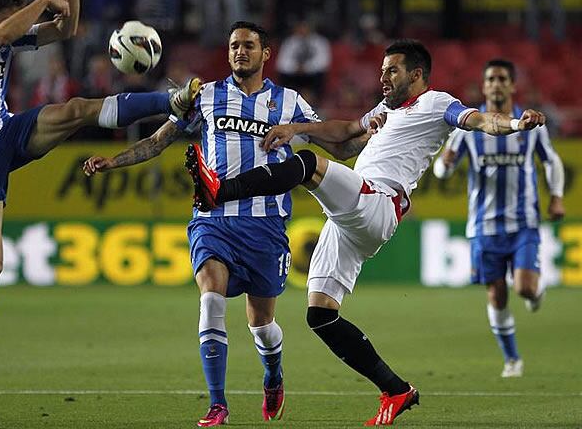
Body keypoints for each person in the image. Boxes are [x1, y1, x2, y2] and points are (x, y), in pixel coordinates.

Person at [185, 40, 547, 425]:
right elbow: (343, 134)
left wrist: (513, 124)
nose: (383, 77)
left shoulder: (437, 103)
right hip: (352, 217)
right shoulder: (385, 110)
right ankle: (395, 389)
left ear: (417, 74)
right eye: (382, 70)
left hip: (377, 201)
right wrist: (295, 127)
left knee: (307, 164)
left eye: (392, 70)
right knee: (320, 315)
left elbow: (480, 121)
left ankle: (221, 190)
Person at [0, 0, 200, 379]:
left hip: (6, 131)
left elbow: (64, 30)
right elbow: (2, 32)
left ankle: (172, 101)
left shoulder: (2, 33)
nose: (9, 26)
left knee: (75, 111)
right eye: (2, 17)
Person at [83, 21, 365, 427]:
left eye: (248, 45)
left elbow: (339, 145)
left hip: (265, 225)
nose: (239, 52)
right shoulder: (207, 96)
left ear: (266, 53)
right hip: (212, 219)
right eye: (234, 45)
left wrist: (381, 130)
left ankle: (273, 374)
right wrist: (114, 161)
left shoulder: (290, 103)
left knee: (262, 324)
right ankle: (218, 404)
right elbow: (160, 139)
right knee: (210, 298)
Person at [433, 59, 565, 377]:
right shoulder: (469, 127)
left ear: (512, 85)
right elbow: (441, 170)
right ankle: (512, 359)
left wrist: (556, 197)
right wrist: (445, 164)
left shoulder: (529, 123)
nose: (496, 84)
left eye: (502, 78)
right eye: (490, 78)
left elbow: (552, 162)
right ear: (484, 86)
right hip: (484, 225)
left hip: (524, 222)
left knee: (524, 288)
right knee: (496, 293)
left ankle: (536, 291)